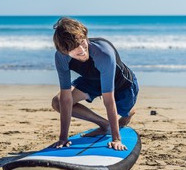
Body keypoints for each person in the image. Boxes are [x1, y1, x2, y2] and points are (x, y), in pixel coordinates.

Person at [51, 17, 139, 151]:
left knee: (124, 112)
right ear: (64, 51)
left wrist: (116, 139)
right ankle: (105, 125)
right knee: (57, 102)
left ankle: (129, 112)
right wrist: (63, 138)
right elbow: (65, 97)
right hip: (91, 81)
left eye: (82, 42)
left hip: (122, 85)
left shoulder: (103, 53)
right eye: (75, 47)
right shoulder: (61, 57)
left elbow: (108, 100)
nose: (82, 49)